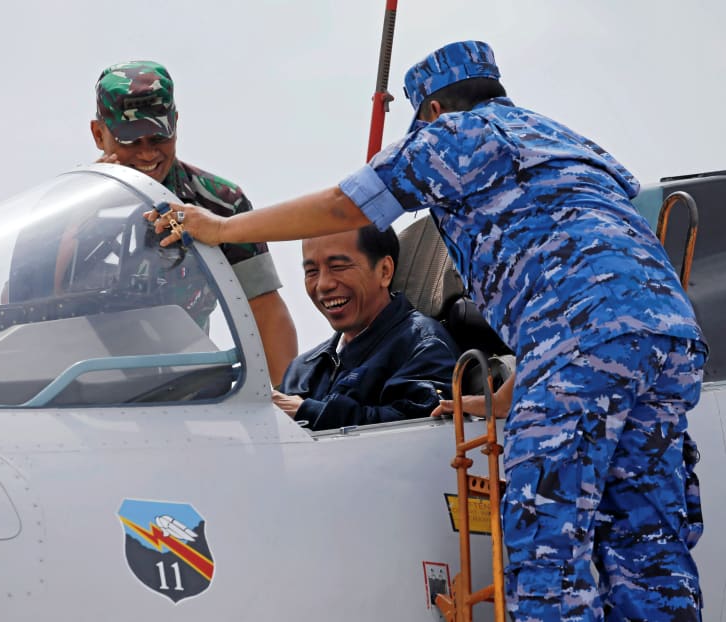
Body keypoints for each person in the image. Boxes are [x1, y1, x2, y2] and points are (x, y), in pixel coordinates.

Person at [150, 41, 708, 620]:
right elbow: (601, 293)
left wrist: (221, 226)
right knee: (647, 538)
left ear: (433, 112)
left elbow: (348, 206)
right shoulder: (565, 140)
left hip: (580, 339)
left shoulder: (454, 135)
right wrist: (506, 397)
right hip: (667, 340)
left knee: (548, 546)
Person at [90, 60, 297, 387]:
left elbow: (265, 310)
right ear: (99, 135)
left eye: (158, 137)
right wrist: (89, 217)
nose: (147, 155)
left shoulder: (220, 204)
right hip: (81, 391)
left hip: (187, 391)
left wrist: (291, 404)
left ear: (175, 123)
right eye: (131, 141)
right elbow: (22, 307)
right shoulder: (66, 213)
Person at [272, 225, 460, 431]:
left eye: (338, 267)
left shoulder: (424, 347)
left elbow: (423, 431)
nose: (323, 285)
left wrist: (308, 412)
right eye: (312, 272)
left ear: (384, 271)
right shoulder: (302, 369)